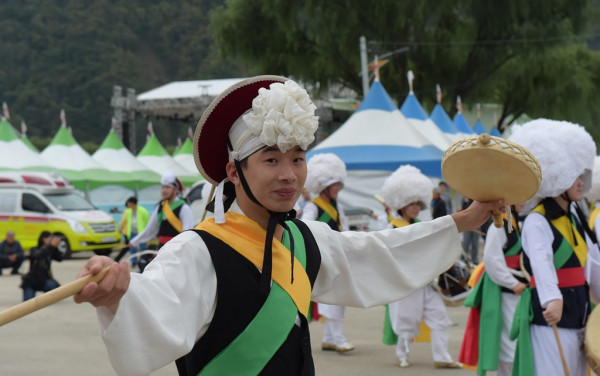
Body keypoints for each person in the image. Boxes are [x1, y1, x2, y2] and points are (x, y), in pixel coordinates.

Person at [73, 75, 503, 376]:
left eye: (298, 158)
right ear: (234, 171)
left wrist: (463, 221)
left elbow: (377, 252)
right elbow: (156, 301)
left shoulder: (305, 239)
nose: (288, 175)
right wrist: (118, 295)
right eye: (271, 159)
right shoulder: (198, 250)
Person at [509, 119, 600, 376]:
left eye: (581, 175)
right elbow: (541, 263)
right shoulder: (537, 220)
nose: (581, 182)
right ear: (556, 178)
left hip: (579, 310)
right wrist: (553, 299)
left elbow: (590, 262)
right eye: (574, 177)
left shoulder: (575, 215)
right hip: (552, 316)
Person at [379, 165, 460, 369]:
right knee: (406, 322)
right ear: (402, 205)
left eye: (418, 203)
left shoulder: (419, 225)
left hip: (426, 282)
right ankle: (402, 355)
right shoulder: (392, 227)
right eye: (411, 204)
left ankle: (442, 357)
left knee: (440, 318)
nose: (416, 207)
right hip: (406, 283)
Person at [458, 204, 527, 375]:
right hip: (504, 290)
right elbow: (492, 260)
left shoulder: (517, 223)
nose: (524, 202)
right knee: (508, 343)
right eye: (520, 199)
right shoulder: (499, 226)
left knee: (515, 341)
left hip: (517, 289)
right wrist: (513, 283)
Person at [300, 153, 353, 353]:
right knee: (333, 299)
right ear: (324, 187)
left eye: (338, 184)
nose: (338, 188)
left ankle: (329, 338)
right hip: (324, 258)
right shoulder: (313, 206)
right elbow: (305, 227)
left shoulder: (337, 206)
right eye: (334, 185)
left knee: (337, 298)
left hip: (337, 256)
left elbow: (344, 229)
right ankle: (338, 339)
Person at [129, 172, 193, 250]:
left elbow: (187, 232)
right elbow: (150, 228)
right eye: (163, 187)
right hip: (162, 248)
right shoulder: (160, 206)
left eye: (168, 187)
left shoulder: (184, 208)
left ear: (176, 190)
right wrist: (134, 241)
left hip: (177, 249)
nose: (164, 190)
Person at [21, 232, 63, 301]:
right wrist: (52, 246)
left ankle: (47, 295)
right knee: (27, 302)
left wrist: (55, 247)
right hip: (32, 281)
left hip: (44, 280)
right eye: (50, 238)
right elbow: (39, 256)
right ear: (43, 239)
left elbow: (60, 258)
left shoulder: (50, 250)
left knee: (56, 288)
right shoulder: (34, 249)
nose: (51, 241)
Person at [114, 197, 150, 266]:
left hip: (141, 232)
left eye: (128, 203)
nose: (127, 204)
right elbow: (124, 221)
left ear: (132, 203)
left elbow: (147, 221)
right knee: (132, 247)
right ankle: (134, 261)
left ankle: (144, 260)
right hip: (132, 232)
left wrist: (146, 231)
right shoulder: (128, 211)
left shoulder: (143, 210)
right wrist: (121, 228)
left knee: (143, 247)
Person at [460, 196, 481, 264]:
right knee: (466, 242)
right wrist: (466, 202)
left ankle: (474, 259)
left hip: (476, 223)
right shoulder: (464, 199)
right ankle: (464, 259)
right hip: (467, 224)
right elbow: (463, 211)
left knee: (475, 243)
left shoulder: (476, 198)